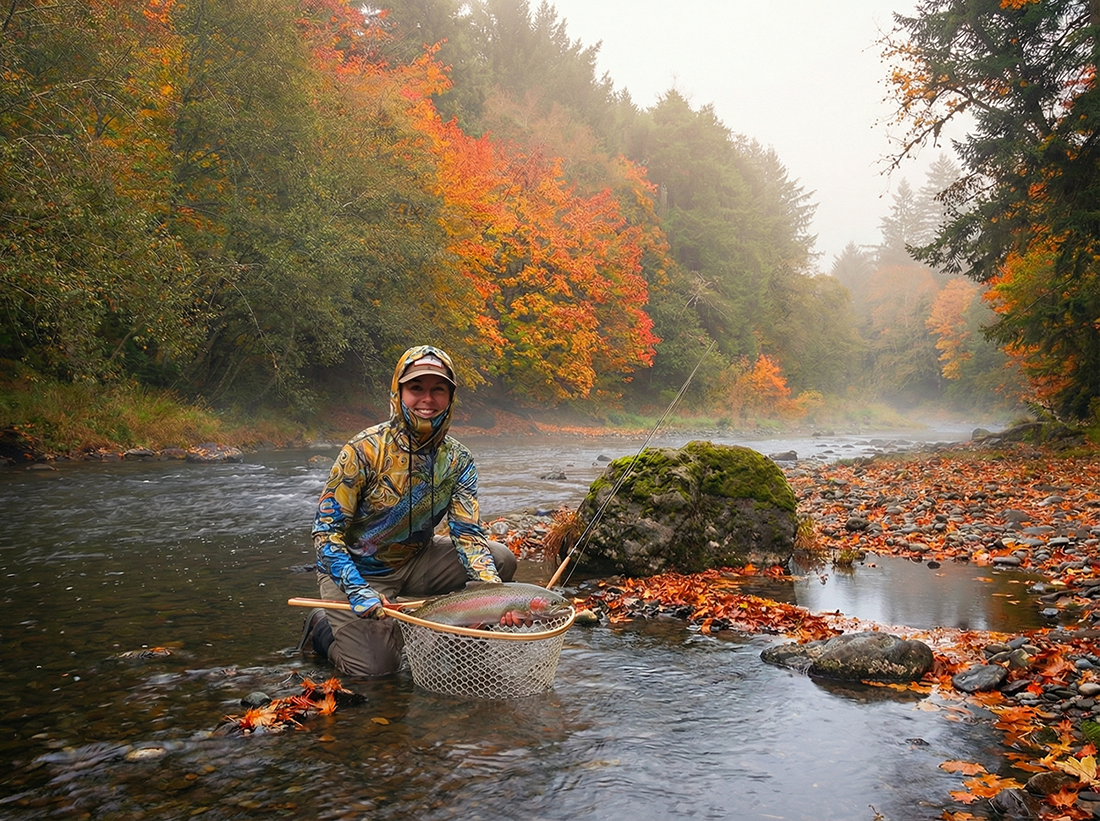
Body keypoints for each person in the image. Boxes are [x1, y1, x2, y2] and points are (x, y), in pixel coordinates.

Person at [299, 345, 517, 676]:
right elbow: (326, 533)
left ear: (450, 396)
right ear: (399, 391)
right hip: (357, 570)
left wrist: (496, 599)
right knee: (377, 672)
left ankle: (453, 629)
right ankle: (323, 629)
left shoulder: (459, 460)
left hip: (416, 561)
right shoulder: (363, 450)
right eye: (416, 388)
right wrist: (358, 590)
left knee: (501, 560)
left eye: (437, 389)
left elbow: (468, 534)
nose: (427, 399)